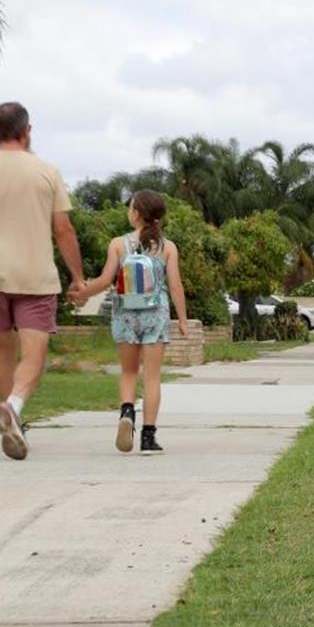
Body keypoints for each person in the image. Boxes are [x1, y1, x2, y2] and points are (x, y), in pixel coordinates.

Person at [0, 102, 85, 460]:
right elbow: (63, 229)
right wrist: (78, 277)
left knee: (6, 347)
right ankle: (13, 406)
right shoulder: (46, 172)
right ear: (26, 130)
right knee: (33, 355)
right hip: (34, 275)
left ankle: (12, 420)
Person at [70, 190, 188, 454]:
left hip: (125, 314)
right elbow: (176, 285)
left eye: (130, 207)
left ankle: (127, 412)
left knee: (128, 372)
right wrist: (181, 319)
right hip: (155, 315)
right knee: (152, 377)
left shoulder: (118, 244)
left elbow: (104, 281)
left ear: (136, 214)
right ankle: (148, 437)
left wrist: (82, 294)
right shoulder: (167, 247)